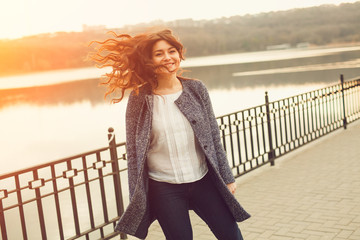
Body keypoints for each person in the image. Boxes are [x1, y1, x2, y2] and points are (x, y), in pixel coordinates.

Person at [91, 28, 250, 240]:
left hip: (203, 180)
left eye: (172, 51)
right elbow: (134, 153)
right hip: (164, 188)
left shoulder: (196, 89)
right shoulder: (139, 98)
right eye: (159, 54)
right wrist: (136, 197)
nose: (168, 57)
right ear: (149, 61)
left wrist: (227, 177)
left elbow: (213, 135)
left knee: (231, 236)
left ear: (179, 54)